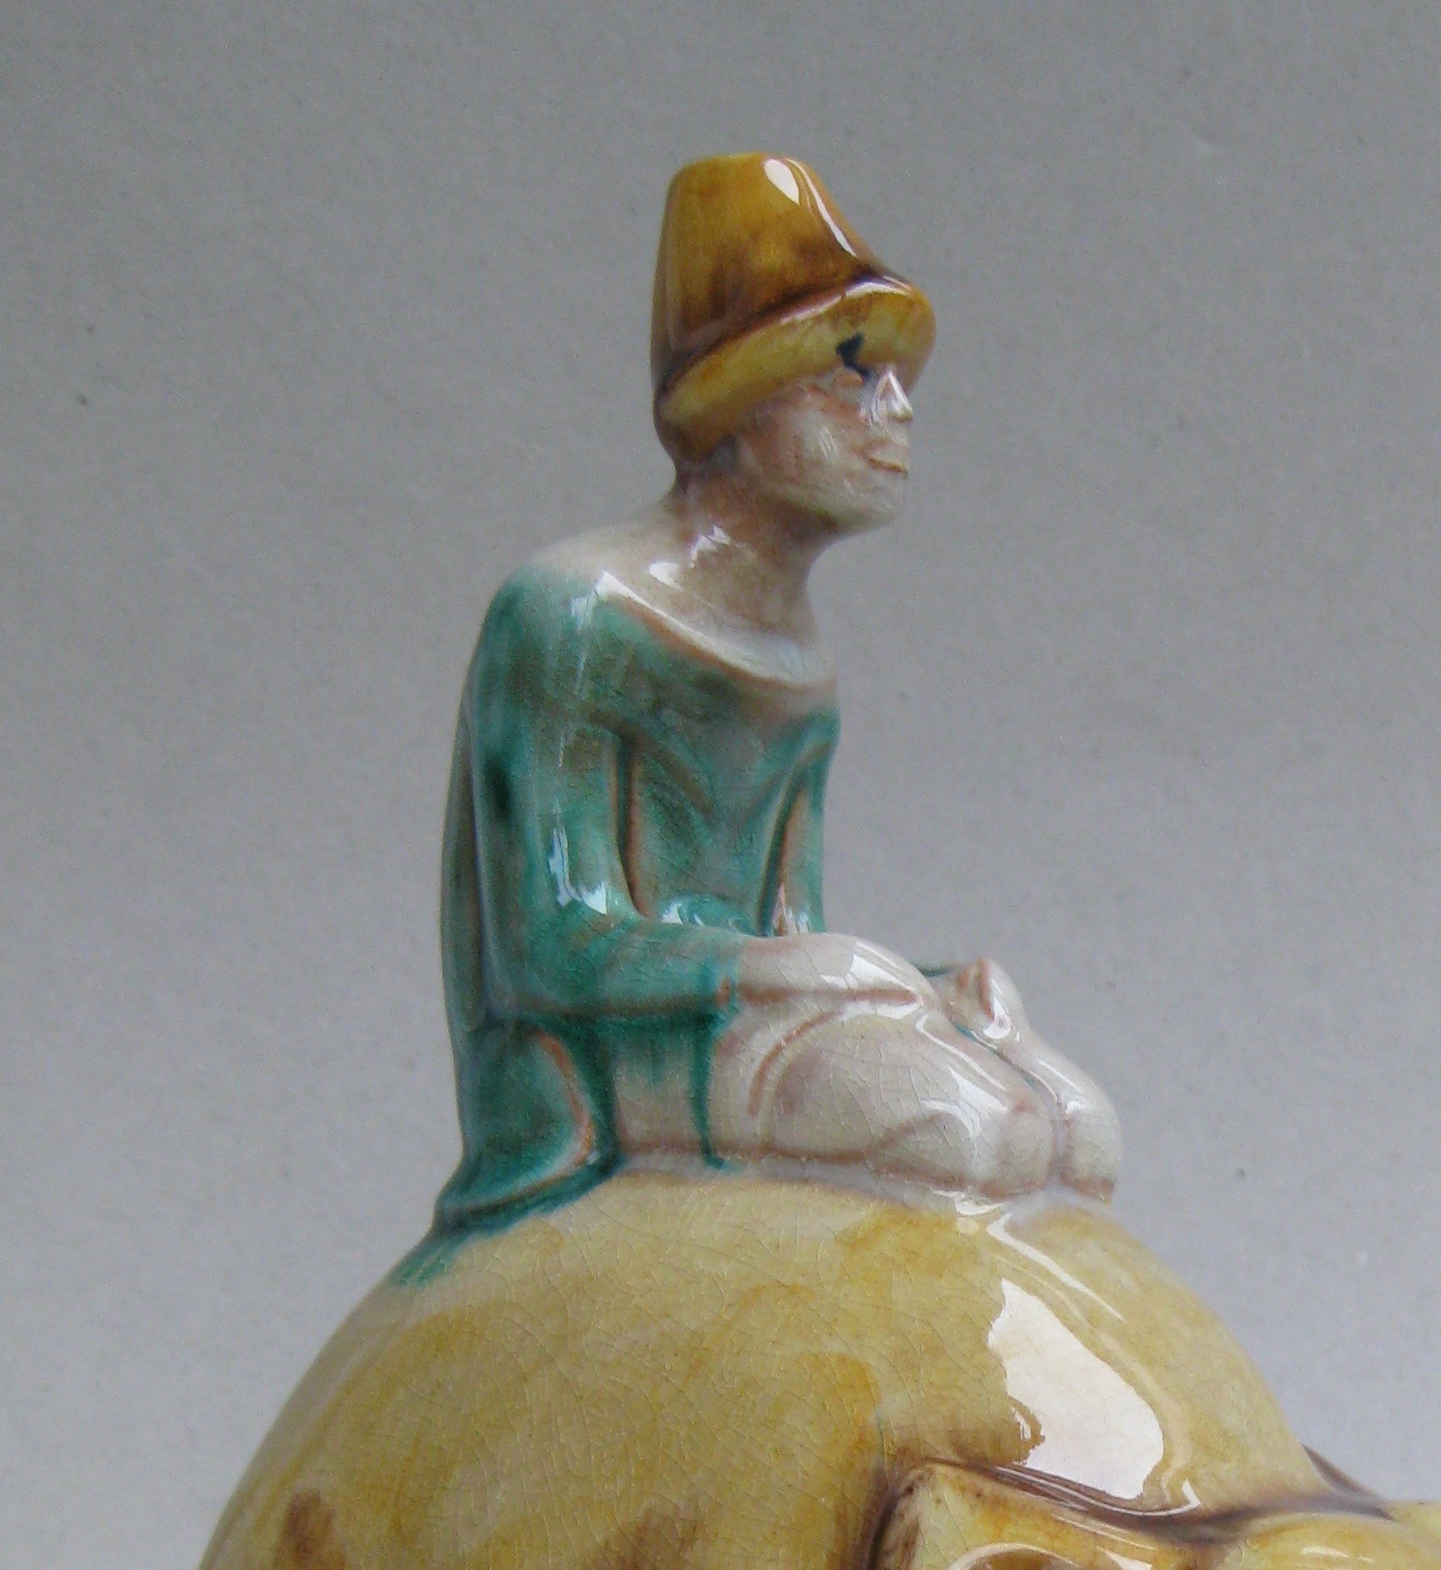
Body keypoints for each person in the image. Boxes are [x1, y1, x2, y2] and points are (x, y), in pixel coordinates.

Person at [431, 152, 1119, 1237]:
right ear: (739, 401)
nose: (896, 409)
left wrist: (935, 988)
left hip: (740, 1025)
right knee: (969, 1131)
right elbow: (551, 952)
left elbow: (795, 935)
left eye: (900, 379)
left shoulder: (802, 667)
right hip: (605, 1072)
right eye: (851, 370)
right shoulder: (575, 615)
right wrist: (789, 970)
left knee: (1079, 1128)